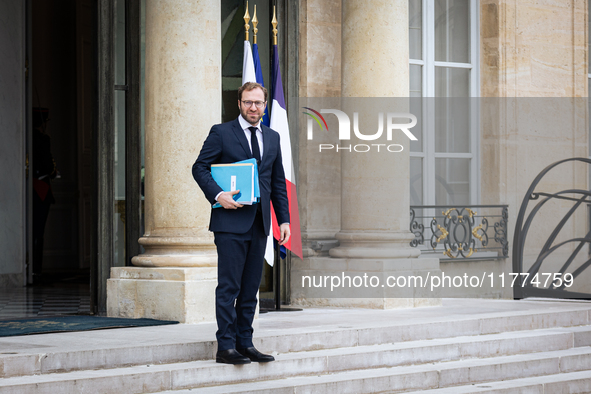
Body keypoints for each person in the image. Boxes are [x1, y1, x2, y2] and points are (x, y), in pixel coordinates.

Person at [192, 82, 291, 365]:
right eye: (248, 102)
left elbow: (277, 182)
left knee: (250, 288)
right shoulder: (221, 133)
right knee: (229, 287)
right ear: (239, 104)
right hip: (229, 224)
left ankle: (245, 343)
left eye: (258, 103)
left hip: (260, 225)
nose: (253, 108)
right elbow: (199, 167)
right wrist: (218, 195)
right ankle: (225, 346)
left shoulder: (272, 137)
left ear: (265, 105)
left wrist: (283, 219)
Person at [32, 107, 58, 283]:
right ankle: (36, 271)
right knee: (38, 231)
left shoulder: (26, 137)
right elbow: (49, 167)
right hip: (40, 188)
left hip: (30, 188)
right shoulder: (42, 139)